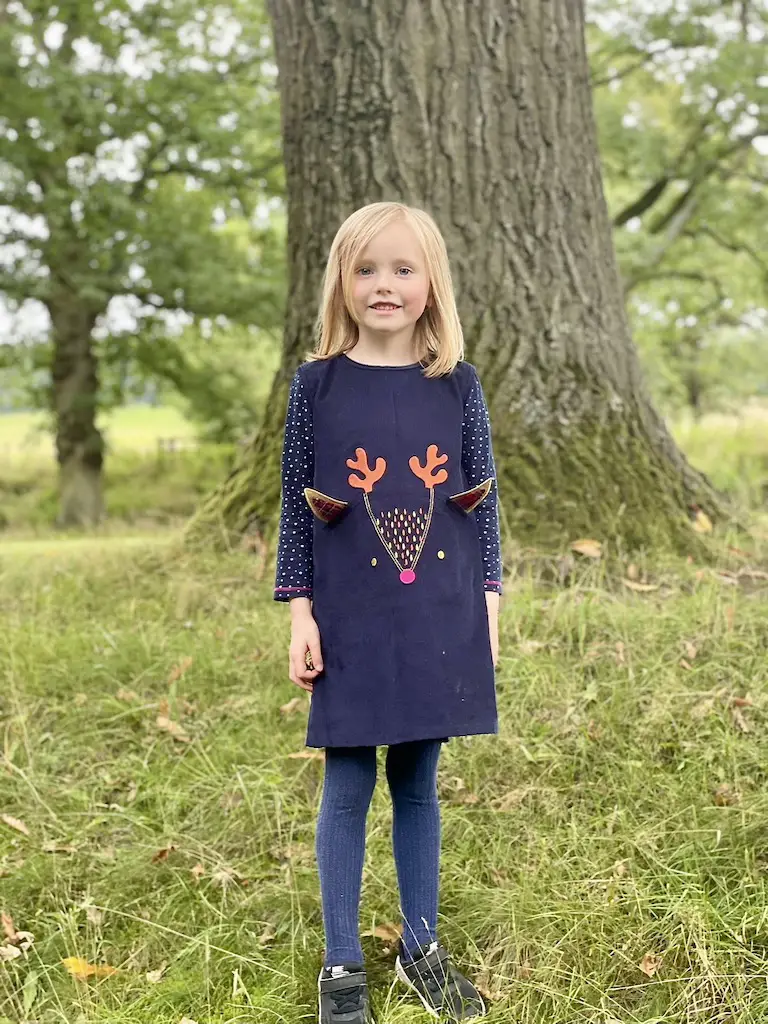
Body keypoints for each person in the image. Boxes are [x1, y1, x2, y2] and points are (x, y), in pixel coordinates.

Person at [274, 201, 502, 1023]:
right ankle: (341, 966)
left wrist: (489, 605)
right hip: (347, 616)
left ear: (431, 283)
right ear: (341, 278)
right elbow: (295, 507)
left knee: (418, 781)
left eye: (403, 269)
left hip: (438, 615)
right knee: (346, 781)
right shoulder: (316, 386)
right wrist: (300, 611)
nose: (384, 285)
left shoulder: (459, 387)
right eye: (367, 269)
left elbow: (483, 505)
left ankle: (421, 947)